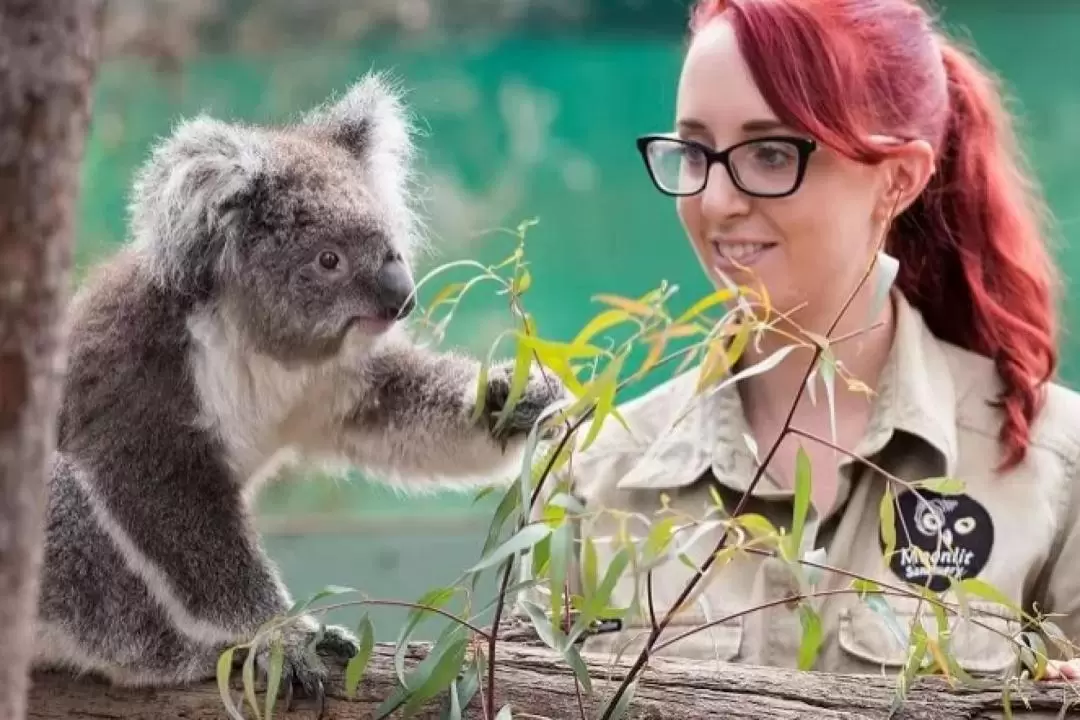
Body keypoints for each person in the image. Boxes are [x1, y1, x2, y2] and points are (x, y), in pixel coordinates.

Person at [518, 0, 1080, 682]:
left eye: (771, 152)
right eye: (694, 151)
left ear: (898, 178)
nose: (718, 201)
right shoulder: (595, 477)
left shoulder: (1053, 468)